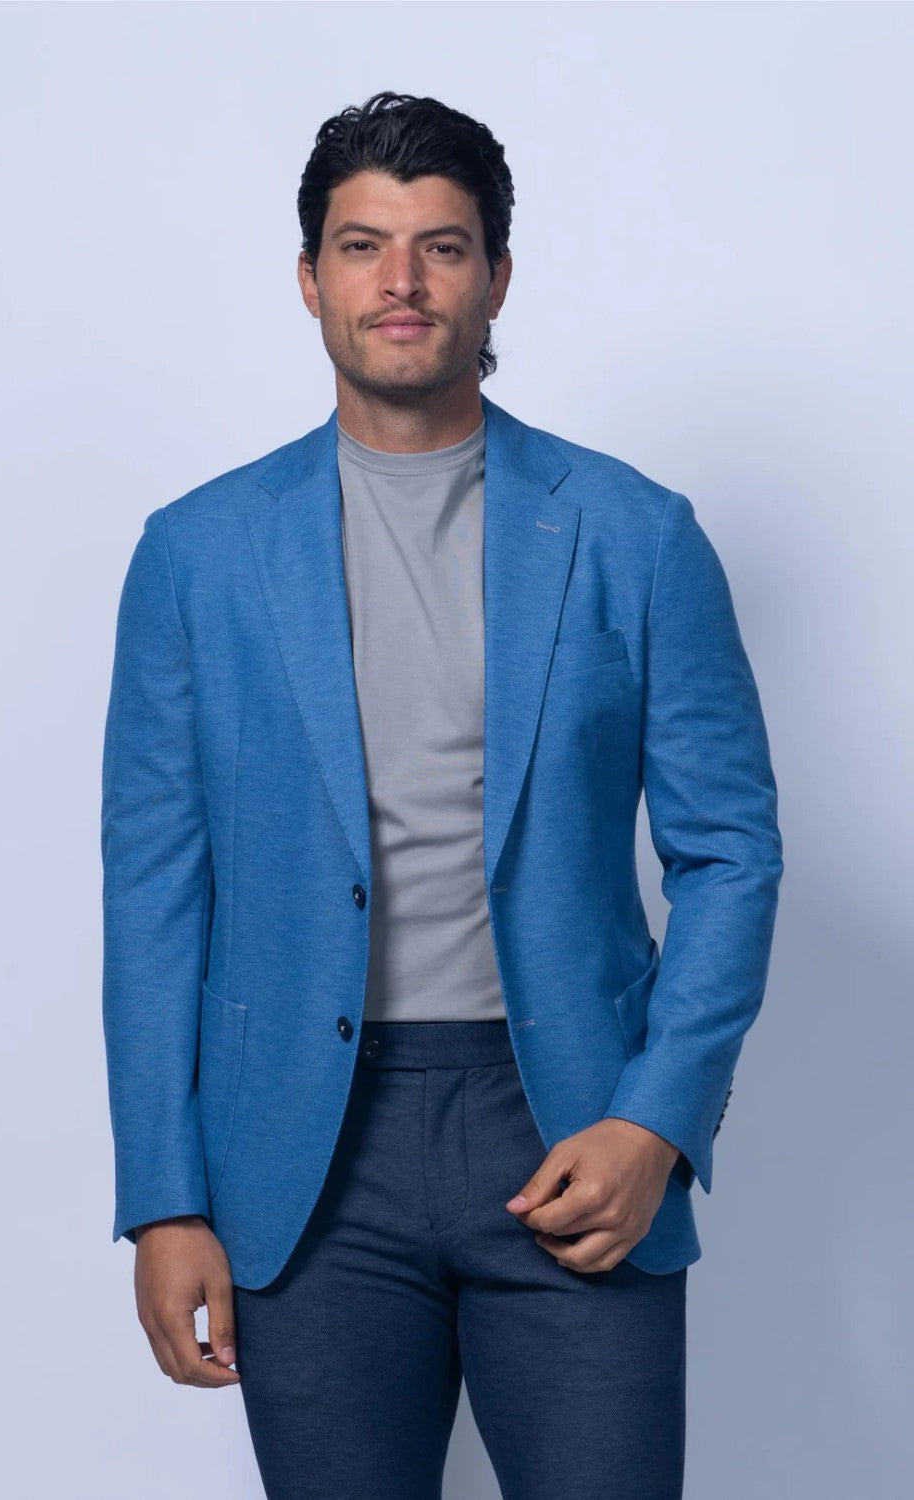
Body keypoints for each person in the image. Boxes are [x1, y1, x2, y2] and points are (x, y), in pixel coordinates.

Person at [101, 90, 783, 1500]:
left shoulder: (636, 534)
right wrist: (164, 1196)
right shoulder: (197, 553)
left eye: (442, 247)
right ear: (310, 279)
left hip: (572, 1127)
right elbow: (155, 890)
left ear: (497, 278)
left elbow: (730, 852)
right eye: (362, 246)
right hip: (303, 1157)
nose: (401, 282)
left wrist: (657, 1120)